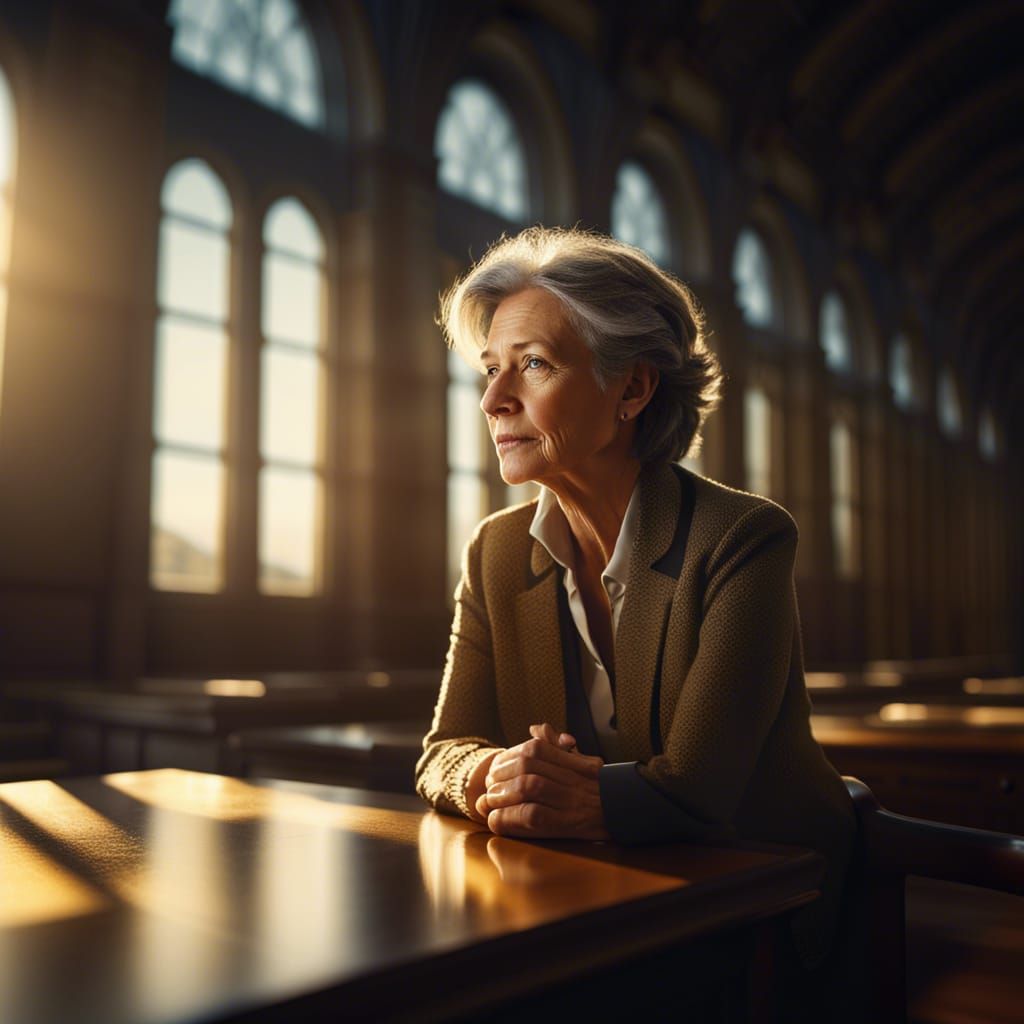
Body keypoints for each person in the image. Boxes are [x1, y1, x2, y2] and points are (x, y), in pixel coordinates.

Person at [415, 226, 855, 990]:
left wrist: (564, 795)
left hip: (765, 910)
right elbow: (441, 752)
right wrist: (493, 774)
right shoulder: (493, 551)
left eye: (534, 365)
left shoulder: (744, 538)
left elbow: (698, 793)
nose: (493, 400)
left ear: (632, 388)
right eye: (490, 370)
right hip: (595, 898)